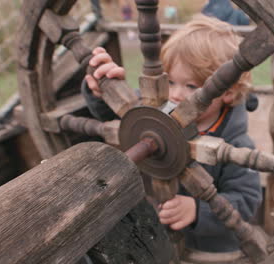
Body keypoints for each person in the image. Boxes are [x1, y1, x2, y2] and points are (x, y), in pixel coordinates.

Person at [81, 15, 262, 253]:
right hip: (160, 238)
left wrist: (198, 211)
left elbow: (247, 200)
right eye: (170, 81)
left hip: (211, 249)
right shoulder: (159, 108)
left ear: (227, 92)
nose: (175, 95)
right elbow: (121, 113)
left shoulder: (237, 145)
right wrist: (102, 87)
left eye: (191, 87)